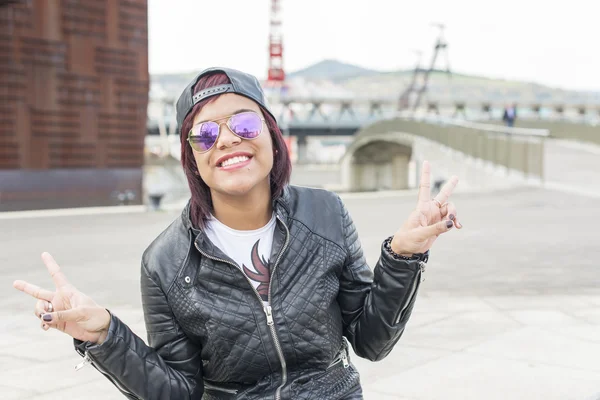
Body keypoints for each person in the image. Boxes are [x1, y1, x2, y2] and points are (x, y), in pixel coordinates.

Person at [13, 67, 462, 399]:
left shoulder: (325, 213)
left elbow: (370, 341)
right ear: (192, 159)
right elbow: (179, 391)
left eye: (244, 124)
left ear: (271, 135)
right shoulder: (164, 261)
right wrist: (105, 336)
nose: (227, 140)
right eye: (205, 135)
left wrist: (402, 256)